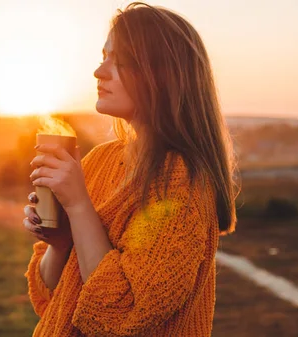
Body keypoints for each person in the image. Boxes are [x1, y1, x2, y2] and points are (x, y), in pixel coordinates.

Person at [23, 2, 237, 336]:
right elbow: (53, 296)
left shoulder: (182, 184)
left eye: (120, 61)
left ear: (162, 75)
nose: (100, 71)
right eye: (103, 56)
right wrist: (59, 242)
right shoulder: (99, 160)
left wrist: (79, 205)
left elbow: (123, 313)